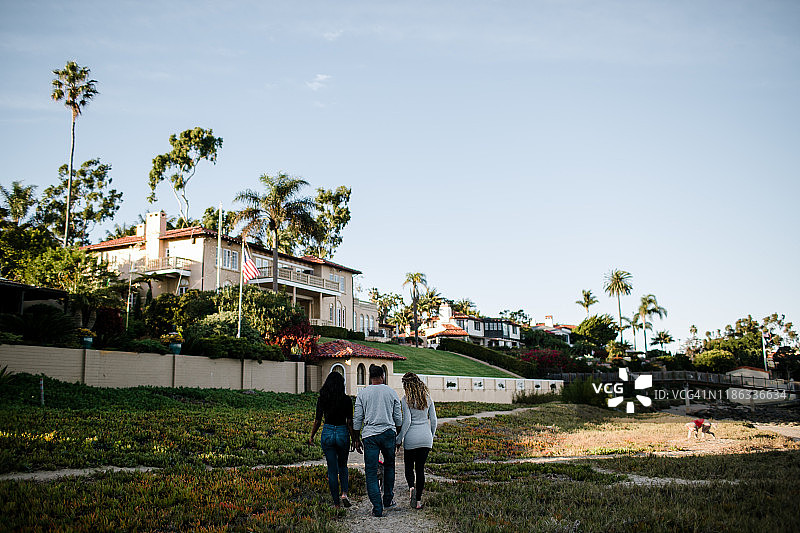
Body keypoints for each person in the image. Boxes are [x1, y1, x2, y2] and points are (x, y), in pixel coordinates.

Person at [353, 364, 402, 517]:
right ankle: (388, 499)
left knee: (371, 471)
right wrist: (397, 433)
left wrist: (355, 438)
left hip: (370, 435)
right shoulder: (391, 392)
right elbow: (398, 418)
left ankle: (377, 507)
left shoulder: (363, 393)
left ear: (369, 377)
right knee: (389, 466)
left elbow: (357, 419)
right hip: (388, 433)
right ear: (383, 376)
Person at [307, 372, 362, 508]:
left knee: (332, 469)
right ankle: (344, 493)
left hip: (328, 432)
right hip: (342, 432)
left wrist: (312, 435)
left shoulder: (322, 399)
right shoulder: (347, 400)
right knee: (343, 466)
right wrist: (355, 438)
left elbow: (318, 420)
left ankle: (336, 504)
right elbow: (350, 422)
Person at [396, 372, 437, 510]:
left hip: (411, 438)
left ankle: (411, 487)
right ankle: (418, 501)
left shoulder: (405, 399)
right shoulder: (428, 398)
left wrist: (399, 438)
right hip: (425, 438)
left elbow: (407, 421)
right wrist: (431, 436)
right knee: (420, 469)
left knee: (409, 466)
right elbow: (434, 421)